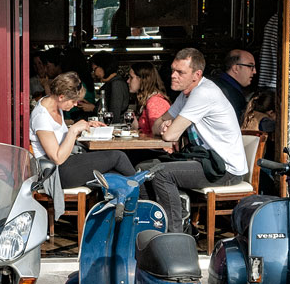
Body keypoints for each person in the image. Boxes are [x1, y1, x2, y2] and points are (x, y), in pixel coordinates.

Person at [146, 48, 247, 234]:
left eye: (180, 72)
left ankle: (175, 235)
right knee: (143, 169)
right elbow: (156, 126)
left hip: (225, 168)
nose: (173, 76)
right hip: (206, 161)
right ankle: (153, 225)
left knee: (161, 174)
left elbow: (170, 136)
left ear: (196, 75)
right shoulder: (186, 94)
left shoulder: (203, 93)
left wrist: (169, 128)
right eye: (173, 70)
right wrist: (164, 126)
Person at [29, 72, 135, 187]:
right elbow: (57, 158)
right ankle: (144, 199)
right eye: (73, 101)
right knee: (118, 157)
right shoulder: (41, 116)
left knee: (116, 172)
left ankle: (133, 201)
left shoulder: (54, 105)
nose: (75, 104)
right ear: (61, 96)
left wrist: (86, 126)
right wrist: (73, 130)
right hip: (56, 172)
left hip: (67, 163)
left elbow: (57, 136)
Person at [209, 49, 256, 123]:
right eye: (250, 66)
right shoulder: (231, 94)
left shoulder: (215, 84)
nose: (254, 71)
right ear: (235, 68)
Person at [88, 52, 131, 123]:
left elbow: (113, 114)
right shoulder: (112, 83)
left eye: (95, 69)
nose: (94, 73)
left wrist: (93, 108)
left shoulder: (116, 84)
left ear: (103, 66)